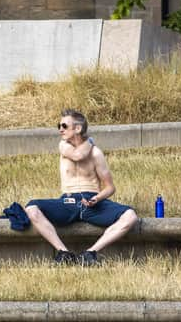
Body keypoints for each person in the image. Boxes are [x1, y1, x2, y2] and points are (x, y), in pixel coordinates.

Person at [25, 109, 138, 265]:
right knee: (32, 208)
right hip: (68, 202)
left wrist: (97, 198)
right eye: (59, 125)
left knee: (130, 216)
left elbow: (110, 188)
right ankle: (64, 253)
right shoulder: (64, 146)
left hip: (92, 203)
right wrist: (90, 141)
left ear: (77, 128)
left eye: (64, 126)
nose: (60, 129)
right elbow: (78, 155)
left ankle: (90, 253)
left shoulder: (96, 154)